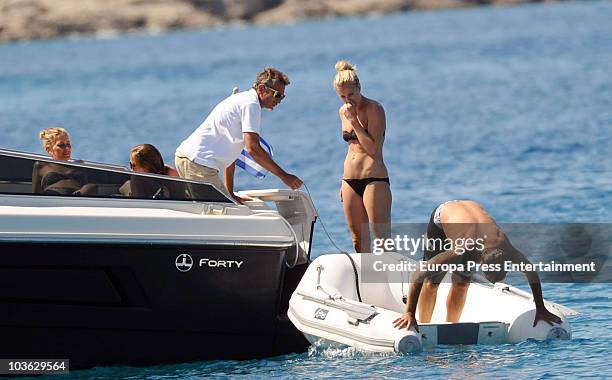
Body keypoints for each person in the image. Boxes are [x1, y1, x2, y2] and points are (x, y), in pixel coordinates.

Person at [393, 200, 563, 332]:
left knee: (462, 283)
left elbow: (531, 272)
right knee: (432, 281)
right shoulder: (461, 250)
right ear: (480, 262)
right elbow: (419, 274)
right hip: (444, 216)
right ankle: (424, 324)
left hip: (471, 213)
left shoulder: (506, 248)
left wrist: (540, 308)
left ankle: (452, 325)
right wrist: (409, 312)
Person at [175, 67, 302, 201]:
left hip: (189, 159)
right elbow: (253, 149)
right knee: (223, 214)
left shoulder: (244, 100)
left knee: (219, 210)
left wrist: (230, 193)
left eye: (282, 96)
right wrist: (284, 176)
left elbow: (232, 157)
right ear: (261, 89)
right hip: (199, 164)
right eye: (277, 95)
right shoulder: (251, 105)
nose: (280, 100)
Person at [333, 60, 391, 253]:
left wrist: (354, 121)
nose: (348, 100)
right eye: (342, 96)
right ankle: (367, 282)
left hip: (374, 179)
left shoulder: (374, 109)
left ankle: (392, 280)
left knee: (381, 240)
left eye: (351, 94)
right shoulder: (343, 111)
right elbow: (351, 148)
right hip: (349, 180)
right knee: (358, 241)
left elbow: (373, 149)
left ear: (359, 87)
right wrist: (342, 181)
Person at [32, 127, 96, 195]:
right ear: (49, 150)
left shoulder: (79, 164)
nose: (67, 148)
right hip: (53, 200)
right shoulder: (41, 165)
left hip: (77, 200)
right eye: (61, 145)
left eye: (68, 144)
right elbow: (35, 194)